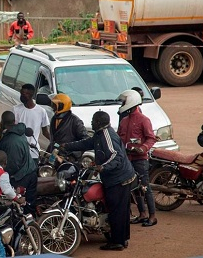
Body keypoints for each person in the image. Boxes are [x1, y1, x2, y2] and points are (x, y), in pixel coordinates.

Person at [61, 111, 136, 251]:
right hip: (119, 177)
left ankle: (117, 242)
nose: (91, 123)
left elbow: (116, 155)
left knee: (116, 210)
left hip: (118, 179)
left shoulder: (107, 135)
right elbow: (87, 143)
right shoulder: (99, 135)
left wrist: (103, 167)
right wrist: (68, 146)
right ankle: (123, 238)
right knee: (121, 209)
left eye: (93, 121)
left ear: (99, 123)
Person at [0, 111, 38, 215]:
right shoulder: (14, 133)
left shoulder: (12, 140)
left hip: (23, 176)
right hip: (28, 171)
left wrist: (1, 175)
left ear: (2, 122)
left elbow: (13, 165)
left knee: (23, 206)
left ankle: (27, 228)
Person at [117, 89, 157, 227]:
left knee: (145, 187)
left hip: (140, 159)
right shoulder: (124, 120)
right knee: (135, 188)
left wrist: (143, 148)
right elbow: (119, 138)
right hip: (127, 159)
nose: (122, 104)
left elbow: (151, 138)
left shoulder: (144, 120)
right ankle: (142, 213)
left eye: (124, 101)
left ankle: (152, 216)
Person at [13, 84, 50, 165]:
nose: (21, 96)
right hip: (19, 150)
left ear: (31, 95)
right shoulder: (16, 109)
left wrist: (54, 141)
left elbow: (45, 132)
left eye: (24, 94)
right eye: (21, 94)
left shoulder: (41, 111)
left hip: (34, 151)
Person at [47, 93, 89, 161]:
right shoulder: (54, 119)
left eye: (54, 105)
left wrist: (72, 156)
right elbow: (53, 140)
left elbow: (85, 141)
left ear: (61, 106)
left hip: (68, 160)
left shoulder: (75, 121)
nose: (52, 108)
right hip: (54, 157)